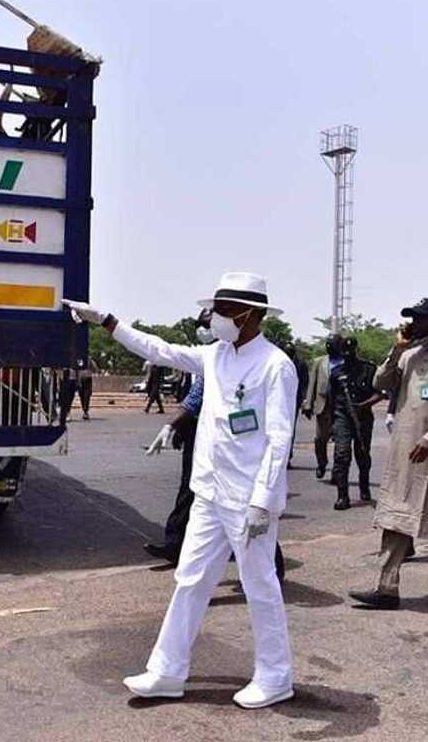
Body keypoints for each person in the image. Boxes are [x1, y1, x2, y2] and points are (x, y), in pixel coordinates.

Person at [63, 271, 297, 709]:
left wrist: (264, 501)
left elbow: (280, 438)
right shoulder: (215, 355)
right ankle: (167, 671)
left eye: (224, 311)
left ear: (249, 315)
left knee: (260, 584)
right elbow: (160, 350)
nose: (215, 319)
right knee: (189, 579)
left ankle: (275, 675)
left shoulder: (274, 365)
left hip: (248, 499)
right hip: (209, 493)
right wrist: (109, 321)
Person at [143, 311, 286, 582]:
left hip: (234, 448)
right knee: (192, 494)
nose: (206, 328)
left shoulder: (251, 360)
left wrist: (172, 423)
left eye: (207, 323)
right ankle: (178, 550)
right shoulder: (212, 354)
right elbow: (172, 365)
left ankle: (271, 574)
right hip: (203, 436)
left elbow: (198, 397)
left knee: (248, 518)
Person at [349, 298, 428, 611]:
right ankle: (387, 587)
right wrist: (396, 351)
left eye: (420, 319)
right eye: (411, 319)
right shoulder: (409, 356)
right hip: (406, 448)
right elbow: (380, 383)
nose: (413, 324)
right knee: (395, 514)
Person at [327, 335, 380, 510]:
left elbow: (380, 393)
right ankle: (343, 496)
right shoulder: (336, 373)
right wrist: (330, 426)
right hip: (343, 416)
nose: (348, 355)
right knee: (342, 454)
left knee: (362, 453)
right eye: (345, 352)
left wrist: (364, 405)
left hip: (363, 416)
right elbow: (331, 400)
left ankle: (364, 486)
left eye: (351, 352)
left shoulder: (368, 369)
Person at [302, 338, 337, 479]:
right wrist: (308, 404)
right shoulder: (319, 362)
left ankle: (337, 470)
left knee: (341, 442)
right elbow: (312, 384)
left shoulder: (346, 362)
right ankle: (321, 463)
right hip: (323, 407)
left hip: (339, 407)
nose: (329, 348)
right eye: (328, 345)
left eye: (333, 345)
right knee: (320, 439)